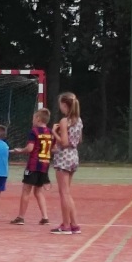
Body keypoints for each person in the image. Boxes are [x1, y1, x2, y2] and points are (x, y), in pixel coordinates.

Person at [9, 108, 53, 225]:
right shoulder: (50, 132)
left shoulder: (34, 131)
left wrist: (20, 150)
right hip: (45, 164)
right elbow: (53, 148)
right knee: (38, 191)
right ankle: (45, 217)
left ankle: (21, 217)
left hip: (34, 165)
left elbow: (30, 148)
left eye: (33, 118)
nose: (32, 120)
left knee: (26, 190)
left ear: (38, 119)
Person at [51, 93, 83, 234]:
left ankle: (66, 225)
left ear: (65, 105)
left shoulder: (65, 121)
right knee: (67, 192)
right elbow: (79, 140)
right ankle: (74, 224)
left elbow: (63, 142)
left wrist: (54, 132)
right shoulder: (79, 121)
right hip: (73, 156)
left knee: (63, 193)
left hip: (64, 157)